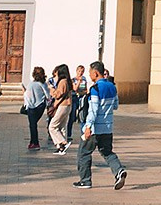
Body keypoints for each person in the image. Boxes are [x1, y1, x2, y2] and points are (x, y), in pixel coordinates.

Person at [72, 62, 127, 190]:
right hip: (107, 128)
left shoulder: (95, 89)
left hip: (94, 129)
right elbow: (115, 105)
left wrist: (88, 127)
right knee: (107, 152)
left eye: (90, 72)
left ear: (96, 73)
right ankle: (119, 170)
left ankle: (85, 181)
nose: (89, 75)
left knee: (83, 153)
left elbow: (93, 110)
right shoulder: (112, 87)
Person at [21, 67, 51, 151]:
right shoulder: (43, 84)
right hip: (40, 105)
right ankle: (33, 142)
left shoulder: (31, 84)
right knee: (33, 124)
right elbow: (48, 95)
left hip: (31, 106)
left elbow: (27, 95)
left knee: (32, 125)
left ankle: (35, 142)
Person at [46, 61, 73, 153]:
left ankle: (63, 142)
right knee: (61, 126)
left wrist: (51, 89)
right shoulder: (68, 81)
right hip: (67, 105)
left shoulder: (62, 82)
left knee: (52, 126)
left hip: (63, 105)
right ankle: (61, 148)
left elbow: (58, 95)